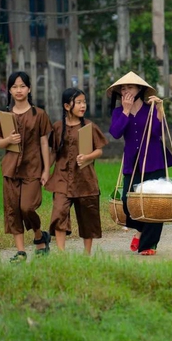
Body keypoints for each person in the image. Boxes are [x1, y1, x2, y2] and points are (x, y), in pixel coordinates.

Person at [108, 71, 172, 256]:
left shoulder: (150, 109)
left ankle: (148, 245)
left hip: (154, 159)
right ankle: (140, 230)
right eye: (123, 88)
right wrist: (126, 111)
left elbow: (157, 133)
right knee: (128, 203)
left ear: (139, 90)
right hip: (132, 162)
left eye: (130, 87)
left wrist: (160, 111)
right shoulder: (118, 112)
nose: (126, 91)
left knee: (154, 203)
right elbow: (115, 133)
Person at [0, 71, 53, 263]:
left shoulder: (39, 114)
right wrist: (8, 139)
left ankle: (39, 236)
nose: (19, 90)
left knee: (27, 207)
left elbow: (45, 144)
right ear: (9, 90)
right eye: (14, 87)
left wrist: (46, 170)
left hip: (33, 168)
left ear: (29, 89)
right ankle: (20, 252)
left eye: (22, 86)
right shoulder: (5, 116)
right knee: (13, 210)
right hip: (11, 169)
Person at [46, 88, 106, 254]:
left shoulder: (89, 127)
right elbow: (53, 152)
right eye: (78, 102)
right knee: (59, 212)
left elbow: (99, 150)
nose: (83, 106)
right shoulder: (58, 127)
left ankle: (86, 254)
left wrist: (87, 157)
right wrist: (45, 173)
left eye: (84, 102)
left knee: (88, 216)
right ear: (67, 106)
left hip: (85, 179)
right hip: (62, 178)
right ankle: (61, 254)